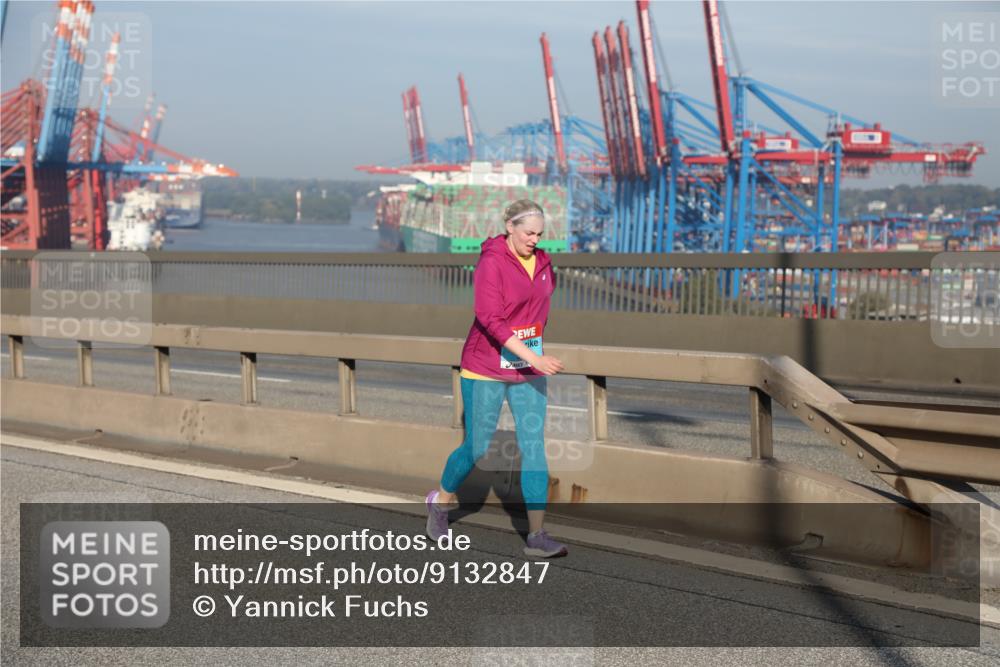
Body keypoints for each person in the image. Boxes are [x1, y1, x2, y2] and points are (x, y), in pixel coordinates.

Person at [426, 199, 568, 558]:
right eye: (528, 233)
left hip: (527, 368)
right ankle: (441, 503)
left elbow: (536, 312)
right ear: (510, 226)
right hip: (485, 367)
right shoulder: (491, 263)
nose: (534, 239)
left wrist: (533, 356)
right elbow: (491, 319)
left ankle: (536, 537)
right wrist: (534, 355)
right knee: (476, 446)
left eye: (539, 233)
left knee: (533, 446)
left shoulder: (544, 262)